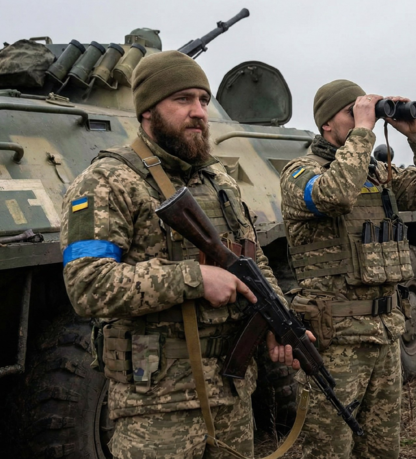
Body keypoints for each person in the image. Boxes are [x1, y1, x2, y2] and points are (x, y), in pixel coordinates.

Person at [61, 50, 305, 459]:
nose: (199, 112)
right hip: (156, 406)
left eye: (204, 100)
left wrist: (279, 320)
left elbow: (254, 262)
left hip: (231, 394)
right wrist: (195, 278)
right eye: (183, 99)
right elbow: (87, 285)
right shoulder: (106, 181)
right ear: (147, 110)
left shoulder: (219, 181)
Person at [279, 79, 416, 458]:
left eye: (366, 114)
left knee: (381, 449)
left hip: (385, 335)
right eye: (352, 112)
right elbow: (335, 195)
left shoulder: (378, 174)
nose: (366, 120)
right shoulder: (299, 172)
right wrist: (363, 131)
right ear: (327, 123)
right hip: (335, 342)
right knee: (330, 449)